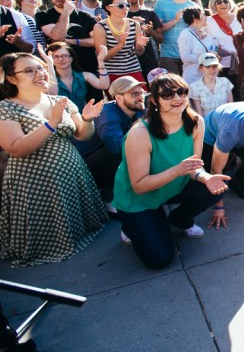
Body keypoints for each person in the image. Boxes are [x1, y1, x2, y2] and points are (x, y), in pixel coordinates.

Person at [0, 52, 107, 266]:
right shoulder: (6, 108)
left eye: (40, 68)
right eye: (29, 70)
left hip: (71, 170)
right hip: (33, 181)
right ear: (12, 79)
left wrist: (86, 119)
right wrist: (52, 122)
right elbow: (15, 149)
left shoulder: (60, 100)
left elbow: (83, 135)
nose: (39, 73)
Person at [112, 74, 227, 269]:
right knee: (160, 260)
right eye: (167, 94)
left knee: (215, 189)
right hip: (139, 199)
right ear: (155, 100)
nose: (177, 98)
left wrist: (206, 177)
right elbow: (139, 186)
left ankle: (179, 220)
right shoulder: (140, 133)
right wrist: (177, 170)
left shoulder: (196, 121)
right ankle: (131, 224)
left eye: (181, 92)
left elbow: (194, 166)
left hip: (173, 185)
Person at [88, 76, 146, 207]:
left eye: (141, 92)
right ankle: (111, 197)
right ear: (118, 97)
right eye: (134, 94)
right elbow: (116, 147)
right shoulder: (107, 114)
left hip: (106, 155)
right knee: (120, 150)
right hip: (90, 165)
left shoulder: (136, 107)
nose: (140, 97)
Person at [36, 0, 99, 74]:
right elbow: (58, 37)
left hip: (87, 68)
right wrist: (66, 12)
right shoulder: (43, 15)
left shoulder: (85, 16)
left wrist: (72, 41)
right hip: (59, 71)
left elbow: (97, 40)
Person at [92, 0, 147, 84]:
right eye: (121, 6)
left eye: (127, 5)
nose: (125, 8)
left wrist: (139, 46)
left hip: (133, 69)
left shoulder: (134, 24)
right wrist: (120, 45)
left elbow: (139, 52)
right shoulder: (100, 27)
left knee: (141, 96)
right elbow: (103, 57)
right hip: (110, 72)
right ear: (108, 7)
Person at [48, 41, 109, 112]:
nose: (61, 59)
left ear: (72, 57)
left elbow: (104, 85)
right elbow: (51, 94)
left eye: (65, 56)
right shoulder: (48, 79)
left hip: (82, 118)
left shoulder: (85, 75)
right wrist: (49, 64)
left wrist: (100, 61)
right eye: (56, 57)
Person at [154, 0, 195, 74]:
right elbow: (158, 30)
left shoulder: (193, 6)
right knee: (171, 87)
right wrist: (175, 20)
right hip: (168, 54)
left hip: (189, 54)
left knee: (188, 88)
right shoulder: (161, 3)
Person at [123, 0, 163, 80]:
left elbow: (161, 38)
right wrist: (131, 23)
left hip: (149, 59)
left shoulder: (149, 13)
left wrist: (151, 32)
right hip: (126, 61)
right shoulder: (119, 14)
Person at [206, 0, 242, 98]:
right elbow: (205, 40)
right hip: (222, 64)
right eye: (219, 2)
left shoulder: (238, 18)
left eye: (225, 1)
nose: (223, 4)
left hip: (240, 63)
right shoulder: (209, 21)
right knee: (225, 95)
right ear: (214, 5)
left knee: (239, 93)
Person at [178, 6, 219, 85]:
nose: (206, 17)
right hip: (193, 78)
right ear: (194, 18)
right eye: (203, 14)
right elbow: (185, 57)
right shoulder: (185, 34)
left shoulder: (205, 34)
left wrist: (214, 53)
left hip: (208, 77)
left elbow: (214, 45)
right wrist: (205, 57)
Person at [189, 52, 234, 117]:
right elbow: (199, 112)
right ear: (201, 68)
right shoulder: (194, 87)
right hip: (207, 123)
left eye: (214, 66)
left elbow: (231, 106)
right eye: (208, 66)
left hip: (225, 120)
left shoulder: (225, 81)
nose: (212, 70)